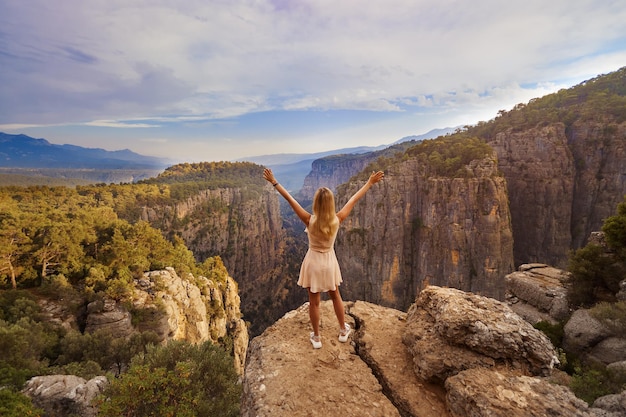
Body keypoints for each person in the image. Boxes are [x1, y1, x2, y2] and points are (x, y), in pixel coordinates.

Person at [263, 167, 385, 349]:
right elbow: (354, 199)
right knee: (336, 296)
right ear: (331, 205)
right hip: (329, 262)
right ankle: (343, 330)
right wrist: (370, 182)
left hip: (313, 262)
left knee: (314, 302)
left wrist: (274, 181)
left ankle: (317, 338)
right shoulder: (338, 219)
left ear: (316, 204)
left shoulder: (309, 219)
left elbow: (289, 199)